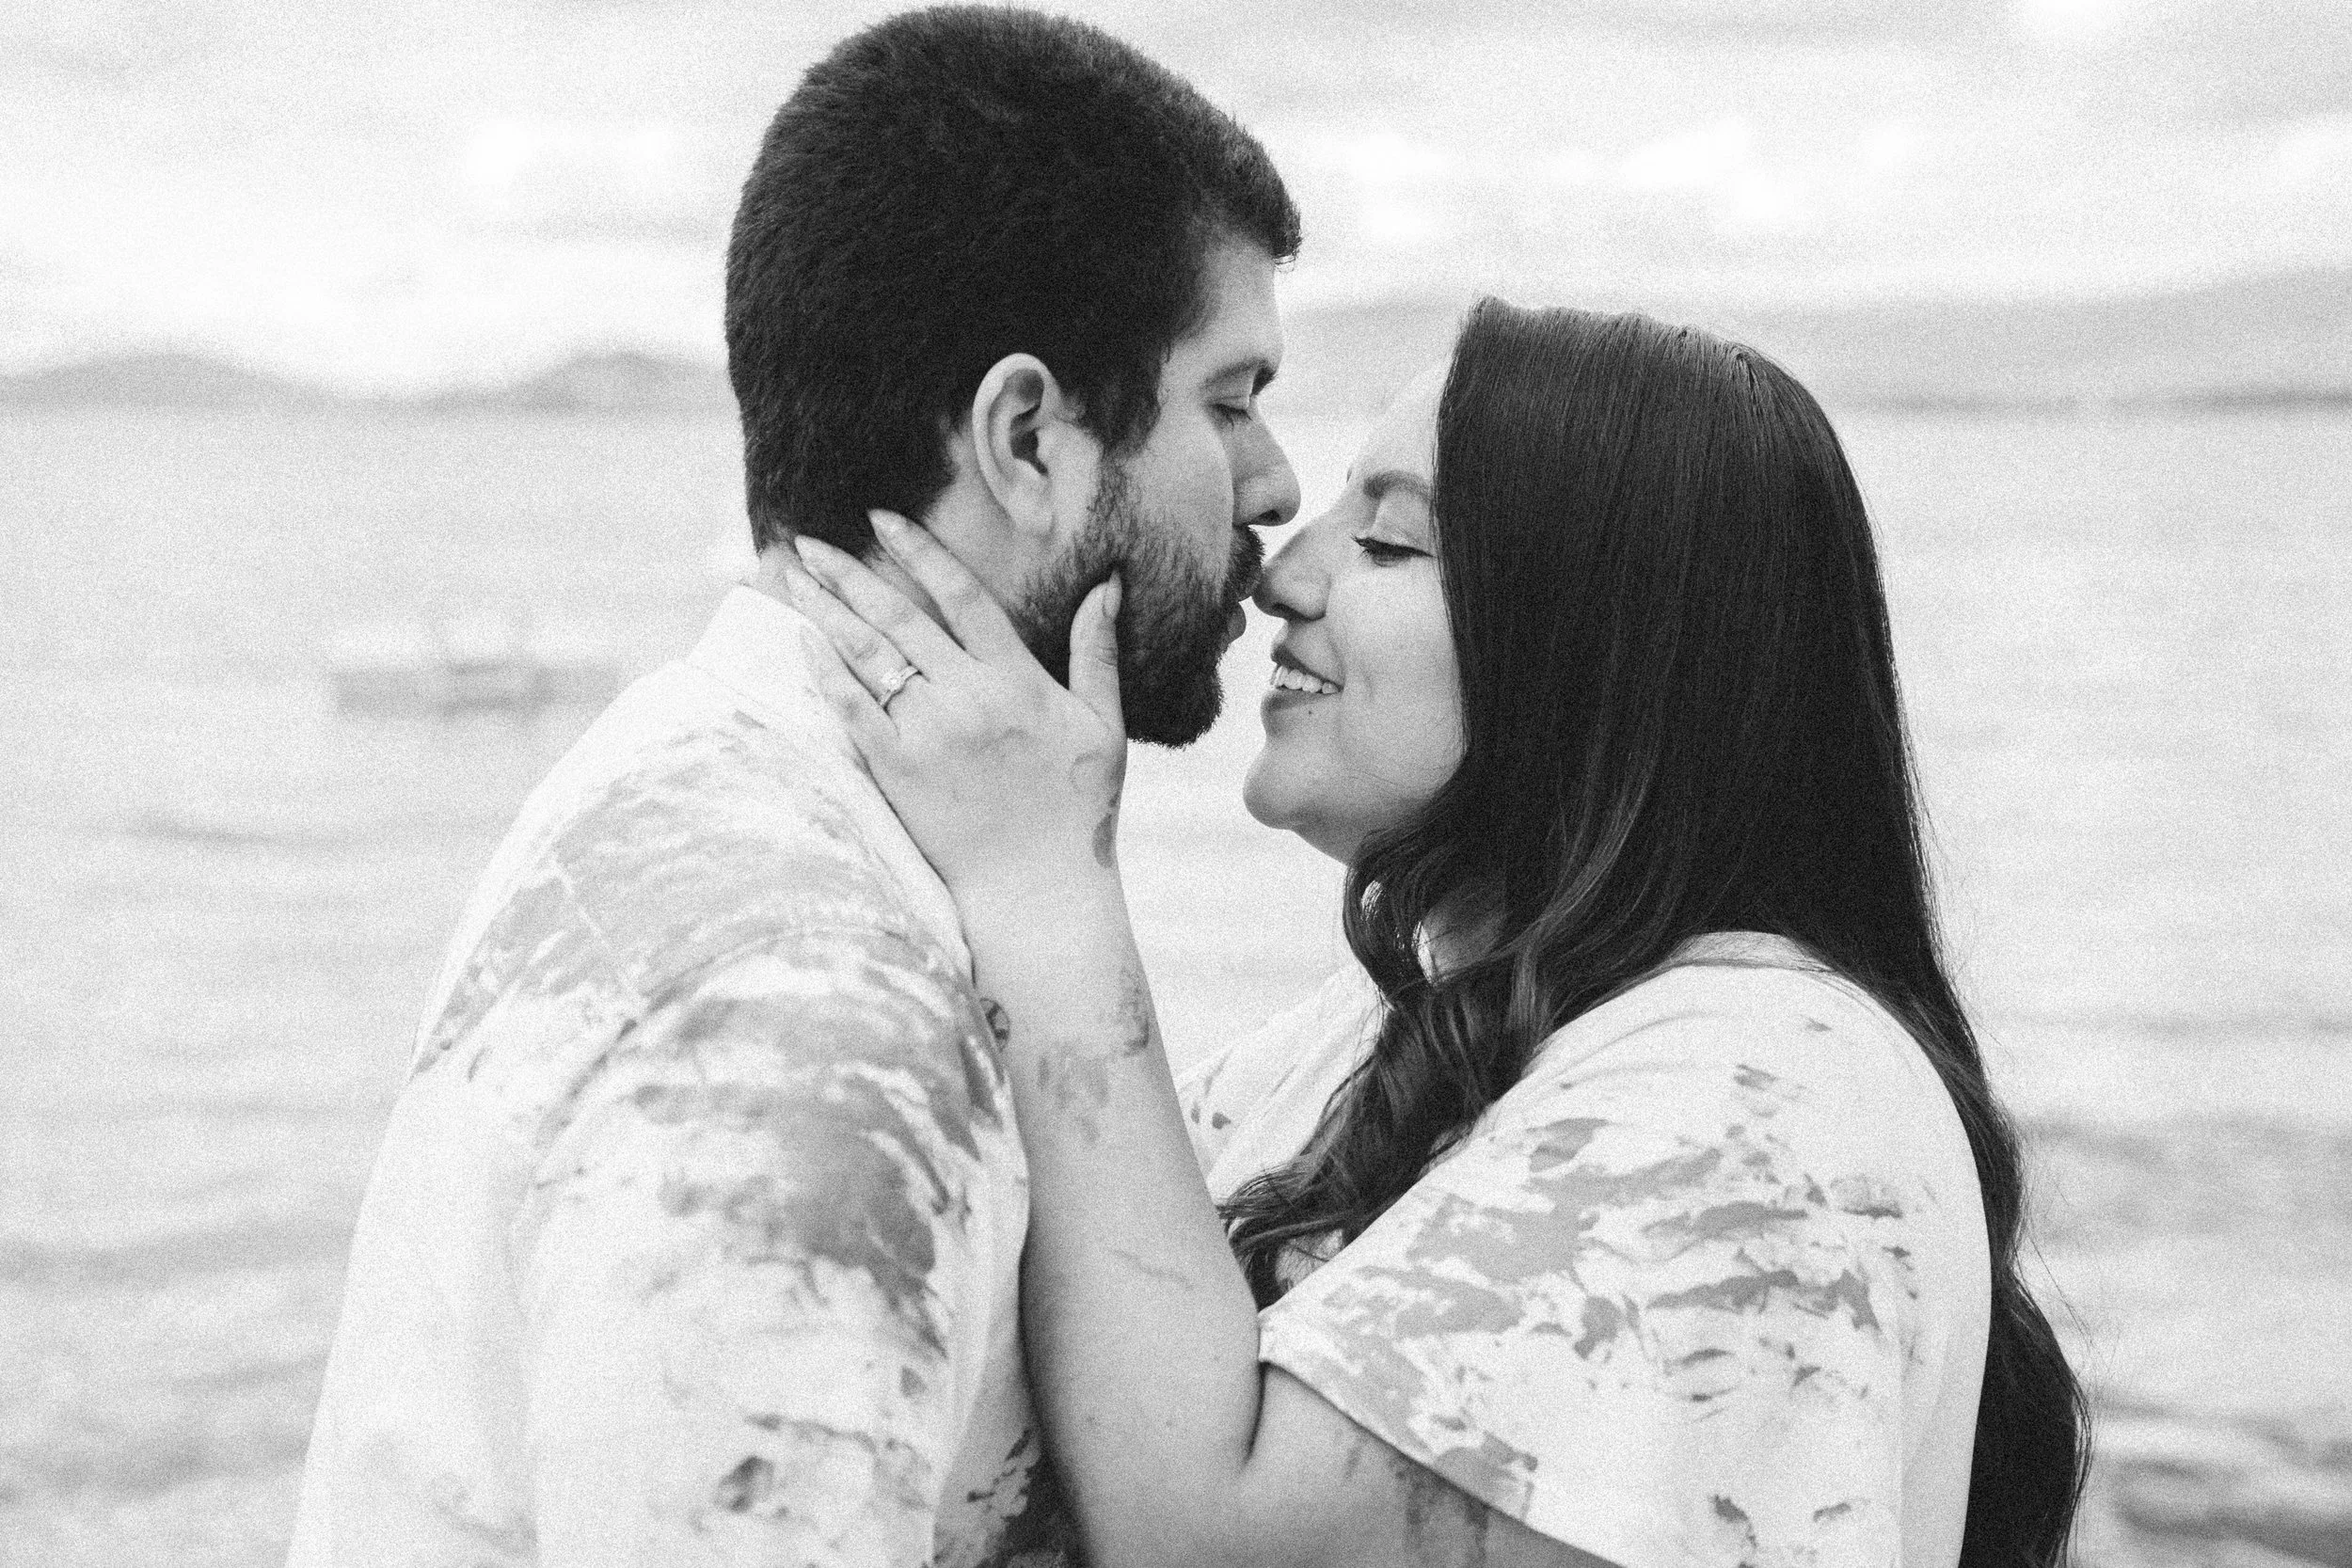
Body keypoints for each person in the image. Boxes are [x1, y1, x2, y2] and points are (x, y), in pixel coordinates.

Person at [781, 301, 2090, 1568]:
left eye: (1390, 545)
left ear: (1595, 650)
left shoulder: (1771, 1100)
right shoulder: (1410, 1032)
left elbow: (1214, 1542)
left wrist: (1047, 883)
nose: (1282, 572)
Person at [287, 9, 1299, 1565]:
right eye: (1230, 402)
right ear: (1028, 437)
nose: (1279, 485)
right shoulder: (818, 1022)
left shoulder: (693, 778)